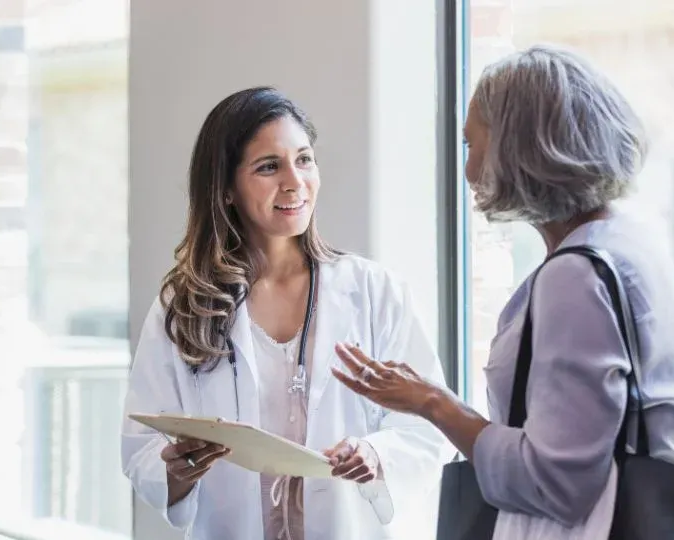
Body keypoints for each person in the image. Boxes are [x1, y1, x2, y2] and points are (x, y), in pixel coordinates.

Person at [332, 44, 674, 529]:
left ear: (518, 145)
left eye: (471, 145)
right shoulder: (630, 240)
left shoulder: (575, 275)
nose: (468, 171)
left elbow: (557, 484)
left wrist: (433, 403)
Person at [120, 87, 452, 539]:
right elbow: (141, 444)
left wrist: (375, 454)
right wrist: (176, 472)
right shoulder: (184, 305)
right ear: (227, 189)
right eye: (268, 167)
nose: (294, 181)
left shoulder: (375, 293)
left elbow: (427, 427)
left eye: (305, 159)